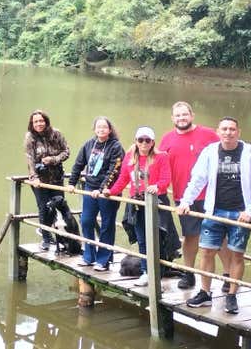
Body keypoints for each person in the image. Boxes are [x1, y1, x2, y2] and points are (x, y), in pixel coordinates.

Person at [177, 117, 251, 315]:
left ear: (238, 132)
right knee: (207, 251)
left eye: (232, 129)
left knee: (237, 254)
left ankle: (232, 295)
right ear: (218, 131)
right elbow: (198, 179)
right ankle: (205, 292)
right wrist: (186, 201)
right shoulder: (210, 152)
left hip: (240, 213)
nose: (228, 132)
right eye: (224, 129)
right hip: (214, 210)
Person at [159, 102, 231, 290]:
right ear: (172, 118)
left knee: (220, 236)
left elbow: (226, 155)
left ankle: (228, 275)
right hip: (184, 197)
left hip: (212, 195)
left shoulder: (208, 135)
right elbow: (158, 166)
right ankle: (188, 273)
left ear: (192, 115)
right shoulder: (167, 139)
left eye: (185, 115)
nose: (181, 118)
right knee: (190, 236)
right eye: (177, 115)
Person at [103, 126, 171, 286]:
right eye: (141, 140)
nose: (144, 143)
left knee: (158, 239)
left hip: (156, 203)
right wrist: (110, 192)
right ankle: (146, 272)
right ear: (136, 141)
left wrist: (157, 187)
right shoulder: (129, 157)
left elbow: (166, 179)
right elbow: (123, 179)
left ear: (153, 142)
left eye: (147, 140)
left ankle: (159, 272)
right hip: (137, 204)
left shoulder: (161, 157)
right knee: (142, 239)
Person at [67, 116, 125, 272]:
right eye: (98, 127)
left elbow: (114, 170)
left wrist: (100, 190)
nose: (101, 129)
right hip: (89, 188)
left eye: (104, 127)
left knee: (107, 225)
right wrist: (72, 183)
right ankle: (89, 256)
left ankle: (103, 260)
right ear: (94, 129)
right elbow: (79, 164)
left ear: (110, 130)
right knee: (86, 221)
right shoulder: (89, 144)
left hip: (107, 193)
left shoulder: (115, 146)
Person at [25, 110, 70, 251]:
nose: (39, 124)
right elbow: (29, 159)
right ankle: (46, 237)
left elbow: (67, 151)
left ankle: (61, 239)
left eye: (41, 121)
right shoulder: (30, 137)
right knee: (44, 209)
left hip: (56, 178)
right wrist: (34, 177)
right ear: (32, 124)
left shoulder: (56, 134)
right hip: (40, 180)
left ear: (46, 121)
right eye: (36, 121)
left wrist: (54, 159)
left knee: (59, 208)